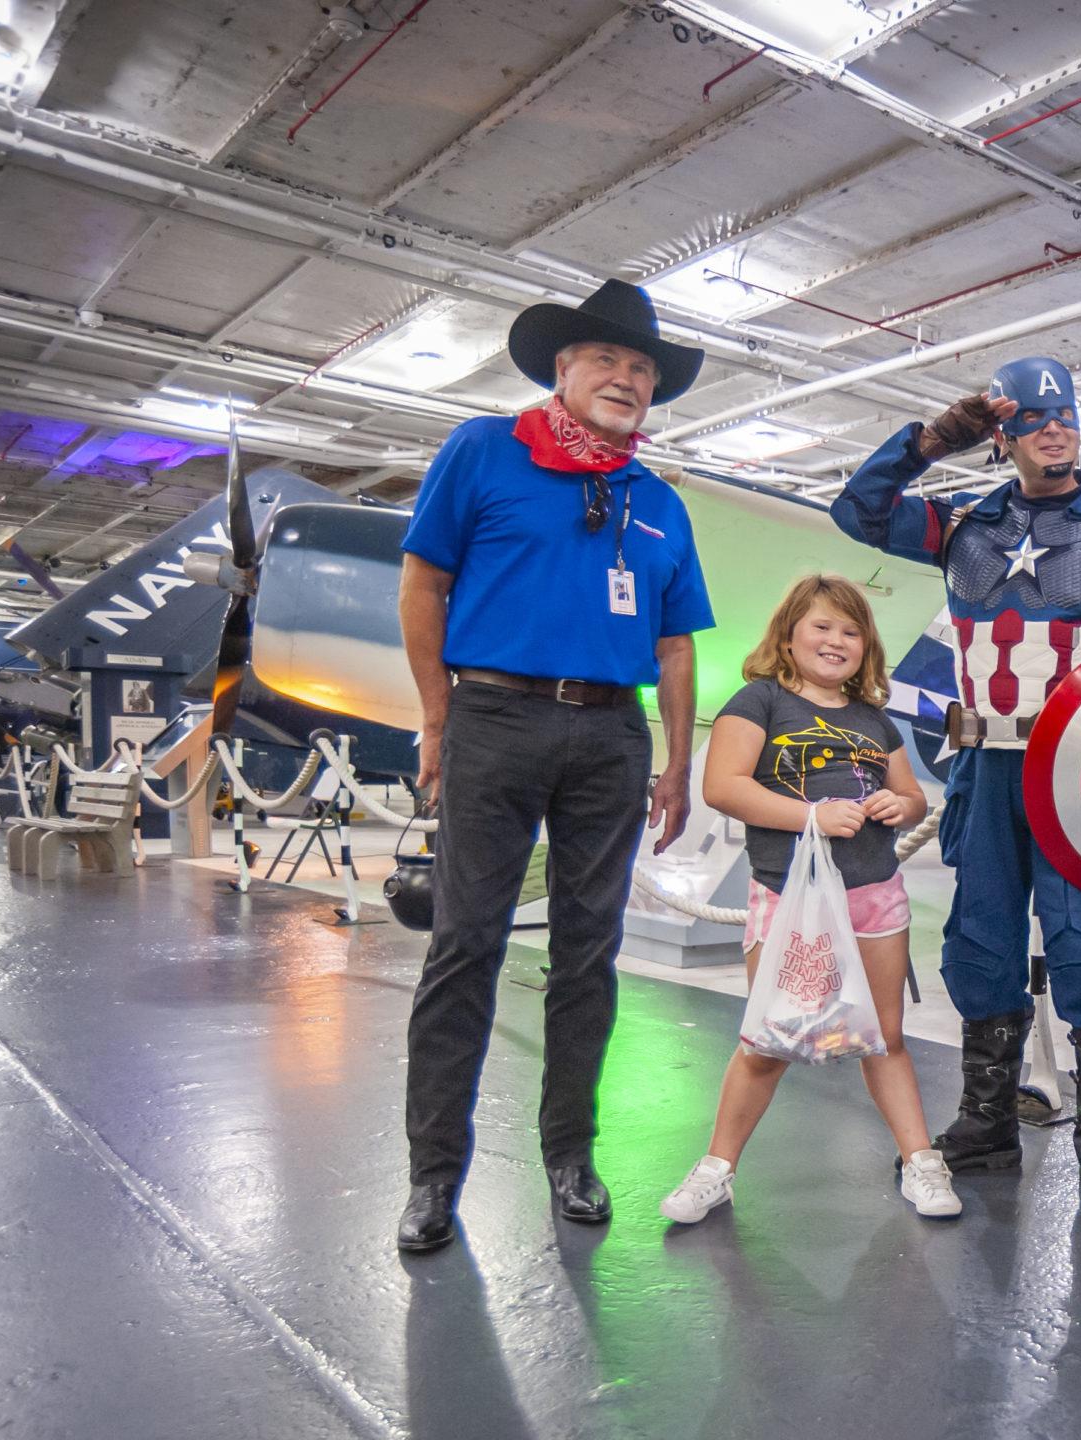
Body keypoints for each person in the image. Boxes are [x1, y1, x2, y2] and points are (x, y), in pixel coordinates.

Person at [830, 355, 1081, 1218]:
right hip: (985, 769)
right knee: (981, 943)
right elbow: (857, 511)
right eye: (1034, 419)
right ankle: (987, 1122)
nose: (1054, 428)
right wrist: (930, 442)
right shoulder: (964, 522)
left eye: (1064, 414)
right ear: (1002, 437)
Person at [393, 280, 715, 1254]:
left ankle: (570, 1155)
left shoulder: (655, 499)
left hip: (610, 739)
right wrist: (437, 719)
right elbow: (423, 582)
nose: (627, 379)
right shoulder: (484, 450)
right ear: (562, 369)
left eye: (643, 370)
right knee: (465, 946)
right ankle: (433, 1175)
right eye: (608, 360)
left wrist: (676, 759)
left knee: (589, 953)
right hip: (494, 717)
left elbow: (676, 646)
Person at [660, 574, 956, 1223]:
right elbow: (725, 786)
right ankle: (717, 1168)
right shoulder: (758, 701)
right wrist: (812, 817)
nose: (836, 640)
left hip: (875, 896)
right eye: (822, 626)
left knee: (885, 1036)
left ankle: (920, 1160)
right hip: (789, 899)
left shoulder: (874, 720)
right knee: (767, 1042)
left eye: (851, 631)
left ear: (866, 647)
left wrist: (897, 803)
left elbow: (911, 799)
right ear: (789, 635)